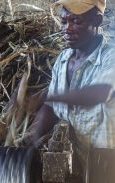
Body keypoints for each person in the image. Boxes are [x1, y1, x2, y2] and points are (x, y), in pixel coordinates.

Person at [31, 0, 115, 169]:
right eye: (64, 21)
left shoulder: (110, 57)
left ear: (97, 21)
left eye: (76, 21)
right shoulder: (63, 60)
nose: (66, 29)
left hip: (106, 167)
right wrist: (32, 144)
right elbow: (51, 107)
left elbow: (101, 92)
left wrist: (50, 97)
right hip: (74, 166)